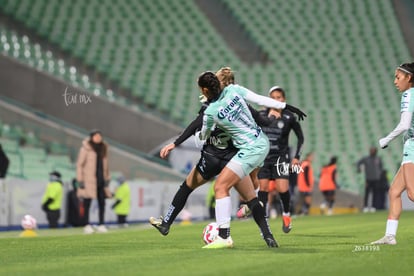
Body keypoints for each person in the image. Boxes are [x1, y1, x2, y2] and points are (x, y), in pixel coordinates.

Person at [149, 67, 276, 241]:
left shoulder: (210, 107)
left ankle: (167, 223)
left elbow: (196, 126)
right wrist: (272, 118)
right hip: (232, 158)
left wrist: (176, 143)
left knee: (186, 187)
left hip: (211, 157)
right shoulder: (238, 102)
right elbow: (261, 120)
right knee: (252, 199)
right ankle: (267, 235)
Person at [198, 70, 306, 248]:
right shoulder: (234, 90)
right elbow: (260, 99)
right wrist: (287, 106)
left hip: (250, 150)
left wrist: (206, 126)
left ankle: (224, 237)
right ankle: (265, 230)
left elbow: (203, 136)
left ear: (205, 91)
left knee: (220, 186)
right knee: (253, 190)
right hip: (262, 143)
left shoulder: (211, 111)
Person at [238, 86, 304, 234]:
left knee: (282, 189)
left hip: (281, 157)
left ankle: (286, 214)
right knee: (263, 189)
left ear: (284, 100)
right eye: (273, 97)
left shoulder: (289, 117)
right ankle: (264, 223)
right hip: (264, 157)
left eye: (279, 97)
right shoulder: (261, 115)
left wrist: (297, 157)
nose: (276, 100)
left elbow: (300, 137)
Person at [371, 62, 414, 245]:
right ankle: (390, 236)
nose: (395, 81)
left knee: (412, 194)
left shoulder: (409, 94)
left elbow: (404, 125)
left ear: (409, 78)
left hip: (412, 146)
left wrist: (386, 140)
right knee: (395, 191)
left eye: (398, 77)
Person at [76, 129, 112, 234]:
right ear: (91, 137)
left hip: (101, 180)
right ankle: (87, 225)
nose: (98, 138)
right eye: (96, 136)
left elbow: (106, 165)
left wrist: (107, 178)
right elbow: (80, 165)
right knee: (87, 202)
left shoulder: (103, 148)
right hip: (89, 180)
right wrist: (80, 180)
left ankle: (101, 224)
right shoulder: (85, 149)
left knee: (102, 202)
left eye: (99, 136)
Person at [357, 147, 384, 212]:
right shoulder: (366, 158)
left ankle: (373, 206)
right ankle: (365, 206)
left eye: (373, 151)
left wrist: (379, 174)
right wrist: (358, 169)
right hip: (368, 179)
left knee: (375, 193)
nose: (372, 152)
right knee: (367, 193)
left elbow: (381, 167)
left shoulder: (378, 159)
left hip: (376, 179)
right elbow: (358, 162)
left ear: (376, 151)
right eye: (371, 150)